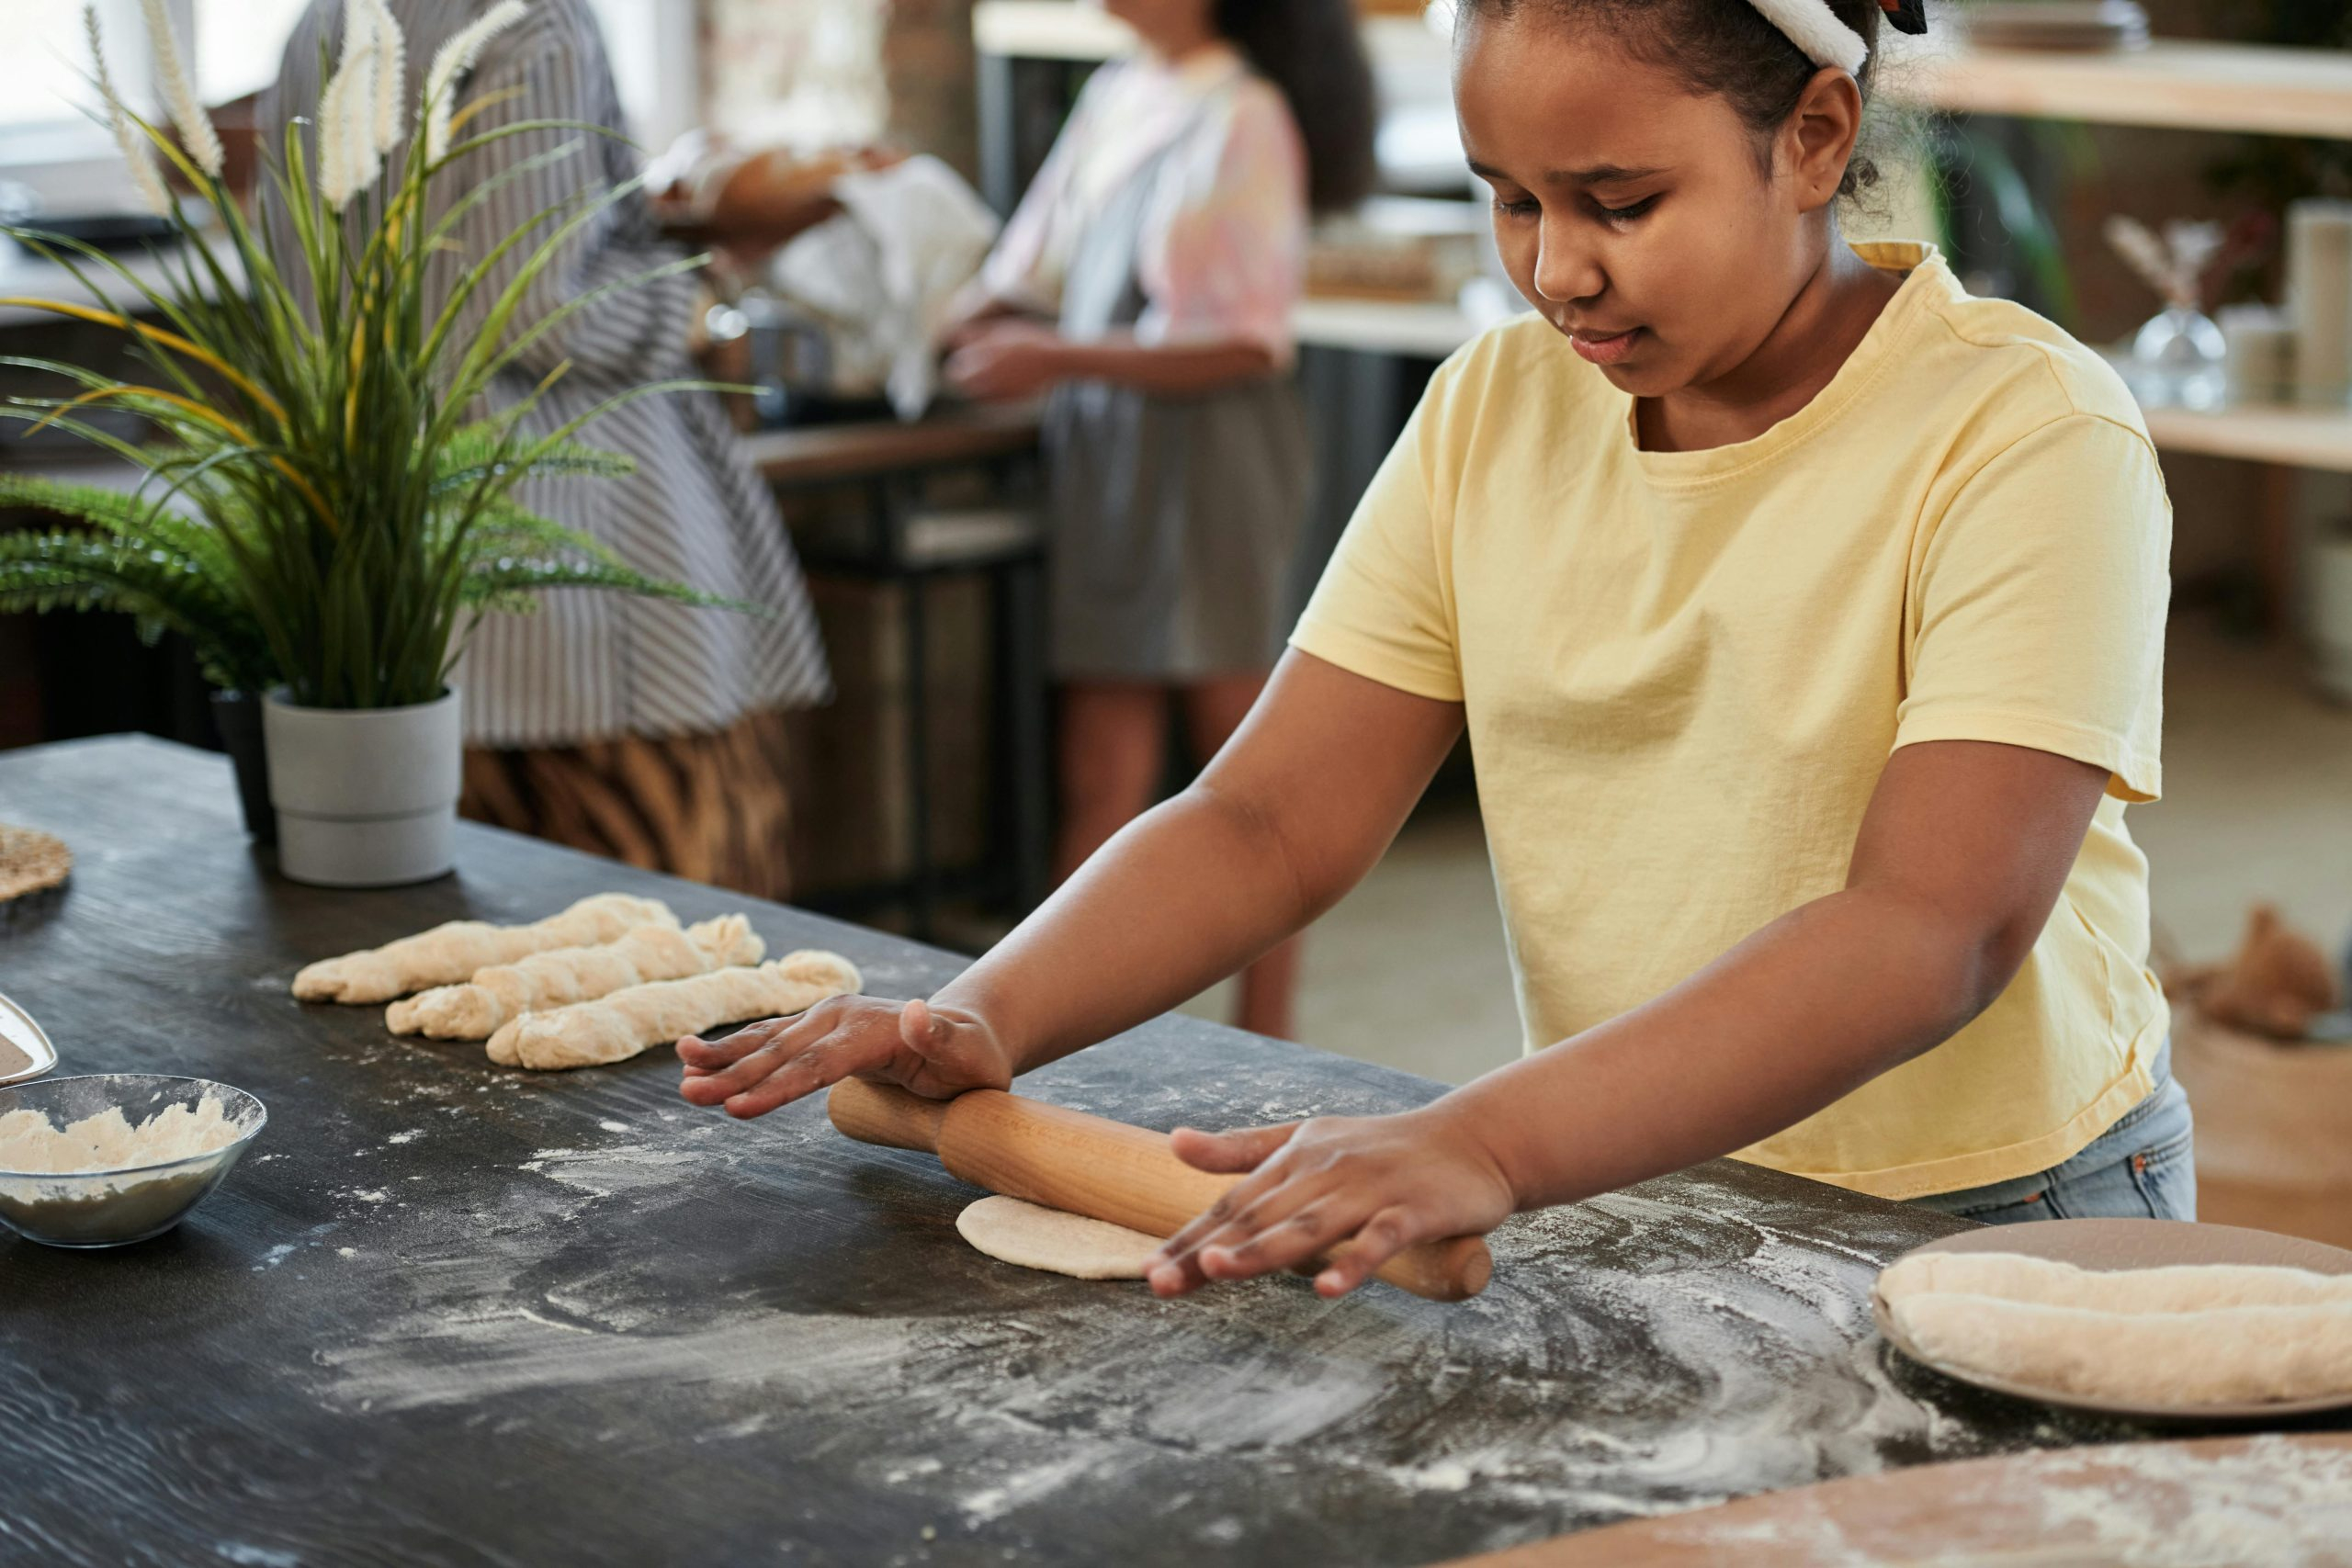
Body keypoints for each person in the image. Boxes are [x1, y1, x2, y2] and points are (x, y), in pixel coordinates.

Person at [680, 0, 2188, 1297]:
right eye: (1512, 199)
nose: (1555, 271)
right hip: (1635, 1168)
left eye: (1618, 202)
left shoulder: (2021, 433)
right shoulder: (1494, 411)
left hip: (1996, 1205)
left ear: (1812, 134)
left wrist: (1481, 1134)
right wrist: (987, 1010)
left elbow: (1930, 927)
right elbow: (1270, 818)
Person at [262, 0, 833, 900]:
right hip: (580, 545)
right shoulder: (538, 23)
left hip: (389, 531)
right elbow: (540, 302)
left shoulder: (325, 18)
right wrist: (707, 289)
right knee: (677, 933)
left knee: (463, 948)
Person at [941, 0, 1376, 1040]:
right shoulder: (1115, 93)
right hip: (1110, 449)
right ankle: (1050, 1026)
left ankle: (1268, 1038)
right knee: (1100, 762)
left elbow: (1244, 342)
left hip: (1212, 450)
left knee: (1250, 771)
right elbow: (1026, 267)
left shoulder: (1243, 114)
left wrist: (1053, 359)